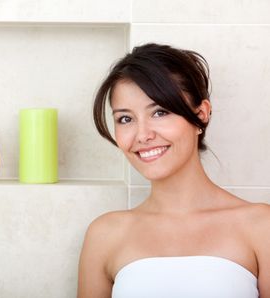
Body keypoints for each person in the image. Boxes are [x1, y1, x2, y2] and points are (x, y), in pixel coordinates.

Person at [77, 43, 270, 298]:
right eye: (125, 118)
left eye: (160, 112)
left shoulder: (260, 226)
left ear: (201, 115)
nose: (143, 135)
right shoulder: (105, 234)